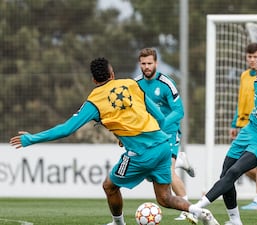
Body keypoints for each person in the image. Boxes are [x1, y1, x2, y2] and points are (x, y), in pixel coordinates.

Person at [9, 57, 219, 225]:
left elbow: (66, 129)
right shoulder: (131, 84)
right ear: (112, 74)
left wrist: (30, 139)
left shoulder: (94, 101)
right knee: (164, 198)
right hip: (163, 145)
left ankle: (118, 223)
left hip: (141, 154)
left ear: (93, 80)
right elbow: (160, 117)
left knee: (109, 186)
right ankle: (196, 210)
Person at [186, 46, 257, 225]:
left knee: (234, 171)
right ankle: (235, 221)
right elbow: (248, 106)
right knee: (225, 172)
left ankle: (196, 207)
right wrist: (236, 123)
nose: (256, 67)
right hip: (248, 131)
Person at [134, 48, 195, 220]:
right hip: (149, 135)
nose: (146, 67)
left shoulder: (166, 83)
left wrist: (160, 125)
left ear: (156, 63)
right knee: (149, 171)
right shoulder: (135, 85)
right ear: (140, 64)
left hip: (168, 132)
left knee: (168, 171)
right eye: (143, 63)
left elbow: (179, 111)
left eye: (149, 63)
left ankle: (186, 208)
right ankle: (180, 160)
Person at [230, 42, 257, 210]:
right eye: (249, 57)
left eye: (255, 57)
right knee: (241, 165)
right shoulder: (244, 76)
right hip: (244, 125)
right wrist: (235, 122)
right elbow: (240, 101)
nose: (252, 60)